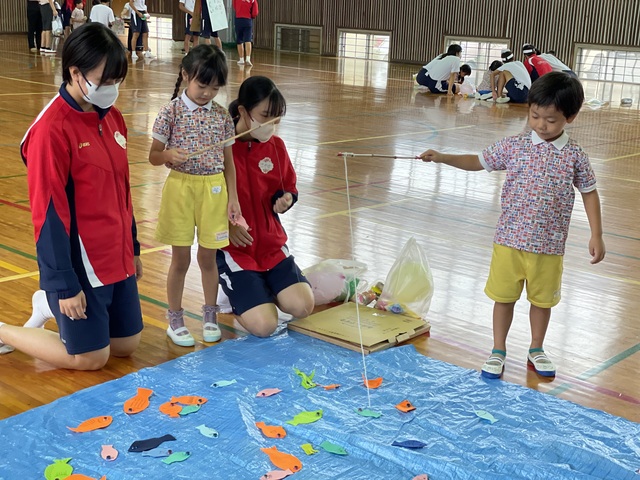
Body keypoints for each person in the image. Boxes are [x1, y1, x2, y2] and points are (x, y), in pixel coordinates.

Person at [419, 72, 605, 379]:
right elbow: (478, 161)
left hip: (549, 247)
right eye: (535, 116)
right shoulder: (514, 146)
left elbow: (590, 192)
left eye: (551, 120)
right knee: (503, 298)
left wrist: (596, 234)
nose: (541, 125)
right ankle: (498, 350)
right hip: (508, 241)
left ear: (570, 117)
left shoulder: (575, 155)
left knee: (542, 302)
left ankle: (536, 349)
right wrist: (442, 157)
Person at [0, 23, 144, 370]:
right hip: (81, 263)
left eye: (116, 81)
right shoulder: (51, 130)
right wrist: (63, 284)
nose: (111, 90)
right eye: (104, 81)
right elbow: (48, 215)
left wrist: (134, 248)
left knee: (126, 345)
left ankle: (45, 305)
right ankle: (7, 328)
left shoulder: (113, 118)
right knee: (90, 358)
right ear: (75, 73)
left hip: (116, 252)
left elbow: (123, 192)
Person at [149, 45, 240, 347]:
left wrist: (233, 198)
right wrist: (168, 155)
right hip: (180, 188)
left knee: (208, 258)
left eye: (215, 88)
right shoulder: (170, 112)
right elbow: (153, 156)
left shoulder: (222, 116)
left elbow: (229, 163)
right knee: (180, 259)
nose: (207, 93)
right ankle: (175, 319)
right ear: (186, 75)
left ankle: (210, 316)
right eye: (202, 85)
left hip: (214, 190)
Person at [218, 76, 315, 337]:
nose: (271, 124)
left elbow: (288, 187)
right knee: (265, 326)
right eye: (265, 116)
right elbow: (205, 200)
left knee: (303, 306)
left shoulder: (276, 147)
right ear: (243, 111)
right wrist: (226, 226)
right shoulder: (221, 148)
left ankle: (263, 289)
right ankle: (235, 291)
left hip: (271, 247)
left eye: (276, 117)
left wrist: (286, 199)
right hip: (235, 250)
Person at [233, 0, 258, 65]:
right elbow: (255, 12)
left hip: (238, 19)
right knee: (248, 40)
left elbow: (234, 6)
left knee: (239, 40)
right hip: (248, 20)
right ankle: (248, 58)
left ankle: (241, 59)